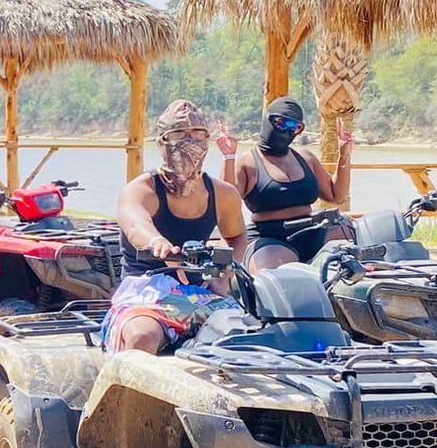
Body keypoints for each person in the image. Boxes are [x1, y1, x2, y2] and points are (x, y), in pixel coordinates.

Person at [104, 100, 250, 355]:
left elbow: (237, 235)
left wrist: (223, 278)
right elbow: (135, 222)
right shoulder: (142, 189)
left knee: (246, 335)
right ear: (162, 141)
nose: (189, 142)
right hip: (146, 293)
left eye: (197, 135)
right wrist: (156, 242)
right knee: (143, 337)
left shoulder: (223, 194)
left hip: (199, 294)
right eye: (179, 134)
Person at [219, 96, 354, 272]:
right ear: (268, 121)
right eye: (281, 123)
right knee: (276, 279)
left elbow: (336, 195)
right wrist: (228, 157)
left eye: (295, 127)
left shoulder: (305, 157)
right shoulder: (248, 162)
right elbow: (225, 205)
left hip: (312, 229)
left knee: (352, 255)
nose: (287, 131)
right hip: (269, 237)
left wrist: (344, 153)